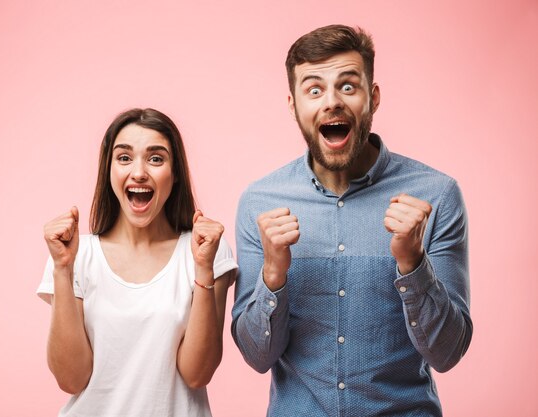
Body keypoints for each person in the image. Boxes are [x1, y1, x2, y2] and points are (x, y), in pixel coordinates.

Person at [232, 25, 472, 416]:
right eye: (314, 89)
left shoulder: (436, 195)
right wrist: (273, 274)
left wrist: (413, 264)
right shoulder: (260, 202)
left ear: (372, 98)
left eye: (347, 86)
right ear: (293, 105)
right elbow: (257, 357)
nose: (332, 103)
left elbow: (447, 353)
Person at [37, 108, 237, 417]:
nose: (139, 172)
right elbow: (71, 378)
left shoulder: (204, 250)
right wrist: (62, 269)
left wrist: (203, 269)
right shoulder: (77, 254)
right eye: (124, 158)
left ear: (175, 174)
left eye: (156, 159)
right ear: (109, 170)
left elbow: (198, 373)